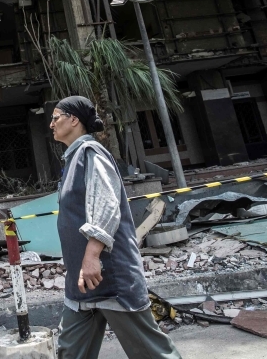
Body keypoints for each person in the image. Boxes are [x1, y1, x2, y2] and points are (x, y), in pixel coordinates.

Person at [51, 95, 183, 359]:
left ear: (74, 120)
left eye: (56, 118)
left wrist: (91, 257)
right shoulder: (74, 159)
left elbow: (106, 204)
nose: (51, 125)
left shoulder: (91, 153)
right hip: (83, 282)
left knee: (150, 351)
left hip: (108, 274)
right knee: (71, 351)